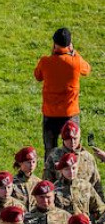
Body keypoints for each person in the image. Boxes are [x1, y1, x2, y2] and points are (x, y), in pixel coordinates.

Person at [35, 27, 91, 155]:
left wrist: (52, 55)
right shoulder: (75, 62)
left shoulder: (45, 62)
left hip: (50, 114)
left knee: (50, 151)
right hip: (70, 113)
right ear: (69, 44)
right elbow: (87, 69)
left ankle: (50, 174)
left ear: (54, 43)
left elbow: (38, 76)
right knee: (73, 150)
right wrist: (74, 53)